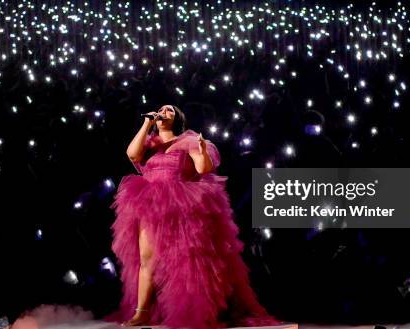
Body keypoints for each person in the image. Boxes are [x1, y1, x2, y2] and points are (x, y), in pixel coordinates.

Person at [105, 105, 280, 329]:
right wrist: (146, 124)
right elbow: (131, 154)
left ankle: (189, 310)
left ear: (177, 118)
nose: (163, 112)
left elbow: (203, 168)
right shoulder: (150, 143)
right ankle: (141, 313)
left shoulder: (188, 140)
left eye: (169, 110)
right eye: (160, 110)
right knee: (147, 259)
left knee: (185, 261)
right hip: (150, 202)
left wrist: (203, 150)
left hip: (181, 202)